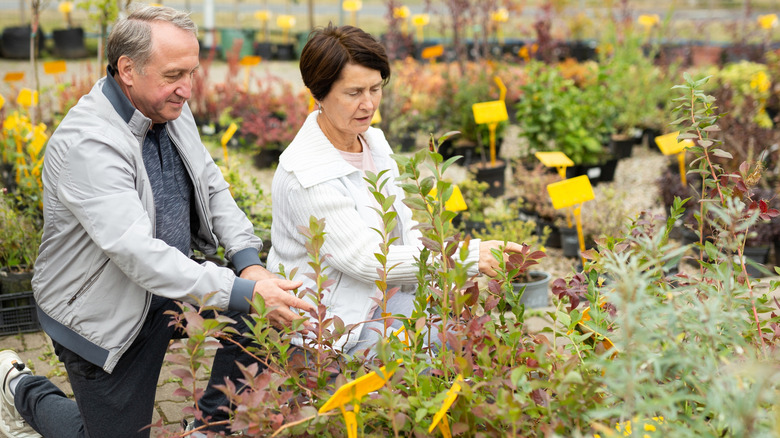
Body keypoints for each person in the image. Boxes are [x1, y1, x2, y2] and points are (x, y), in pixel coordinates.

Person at [0, 6, 312, 438]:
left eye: (192, 72)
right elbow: (138, 254)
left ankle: (210, 426)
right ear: (128, 69)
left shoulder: (171, 109)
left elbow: (212, 185)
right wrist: (242, 289)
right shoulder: (89, 144)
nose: (187, 89)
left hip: (167, 287)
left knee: (261, 309)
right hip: (101, 311)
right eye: (173, 75)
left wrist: (249, 265)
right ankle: (19, 387)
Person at [267, 24, 523, 356]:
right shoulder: (306, 172)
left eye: (376, 88)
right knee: (431, 354)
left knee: (468, 340)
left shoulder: (374, 142)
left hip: (383, 300)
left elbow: (403, 226)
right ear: (318, 93)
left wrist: (432, 289)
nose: (368, 104)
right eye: (354, 92)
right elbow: (363, 259)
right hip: (335, 328)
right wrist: (468, 256)